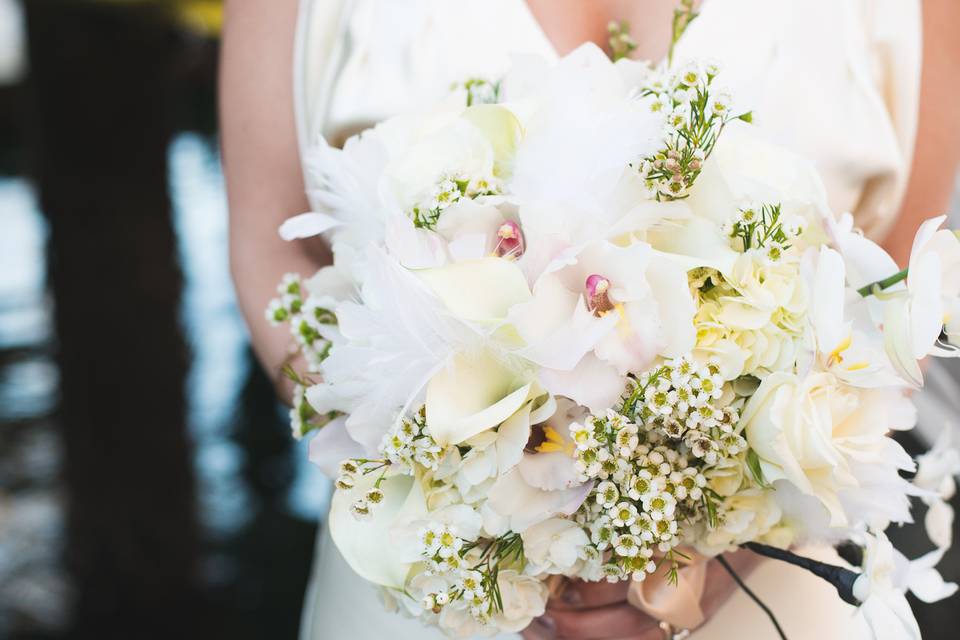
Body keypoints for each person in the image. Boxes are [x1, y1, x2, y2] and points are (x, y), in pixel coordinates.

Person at [220, 1, 960, 638]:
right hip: (428, 573)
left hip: (768, 589)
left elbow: (900, 284)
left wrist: (736, 528)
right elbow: (271, 254)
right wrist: (476, 514)